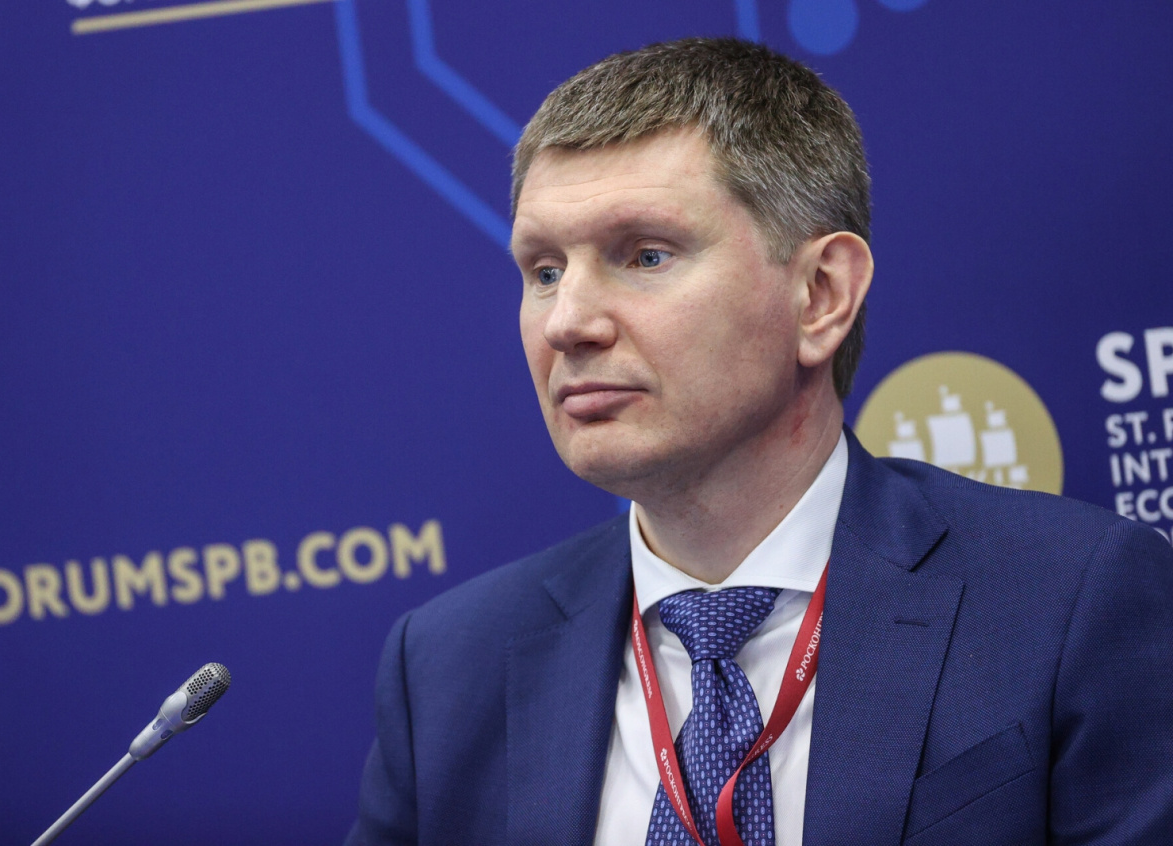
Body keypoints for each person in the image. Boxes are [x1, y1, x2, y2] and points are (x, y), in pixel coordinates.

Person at [345, 38, 1173, 846]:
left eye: (645, 256)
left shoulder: (1070, 602)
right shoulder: (446, 670)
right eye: (545, 271)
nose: (568, 323)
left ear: (820, 295)